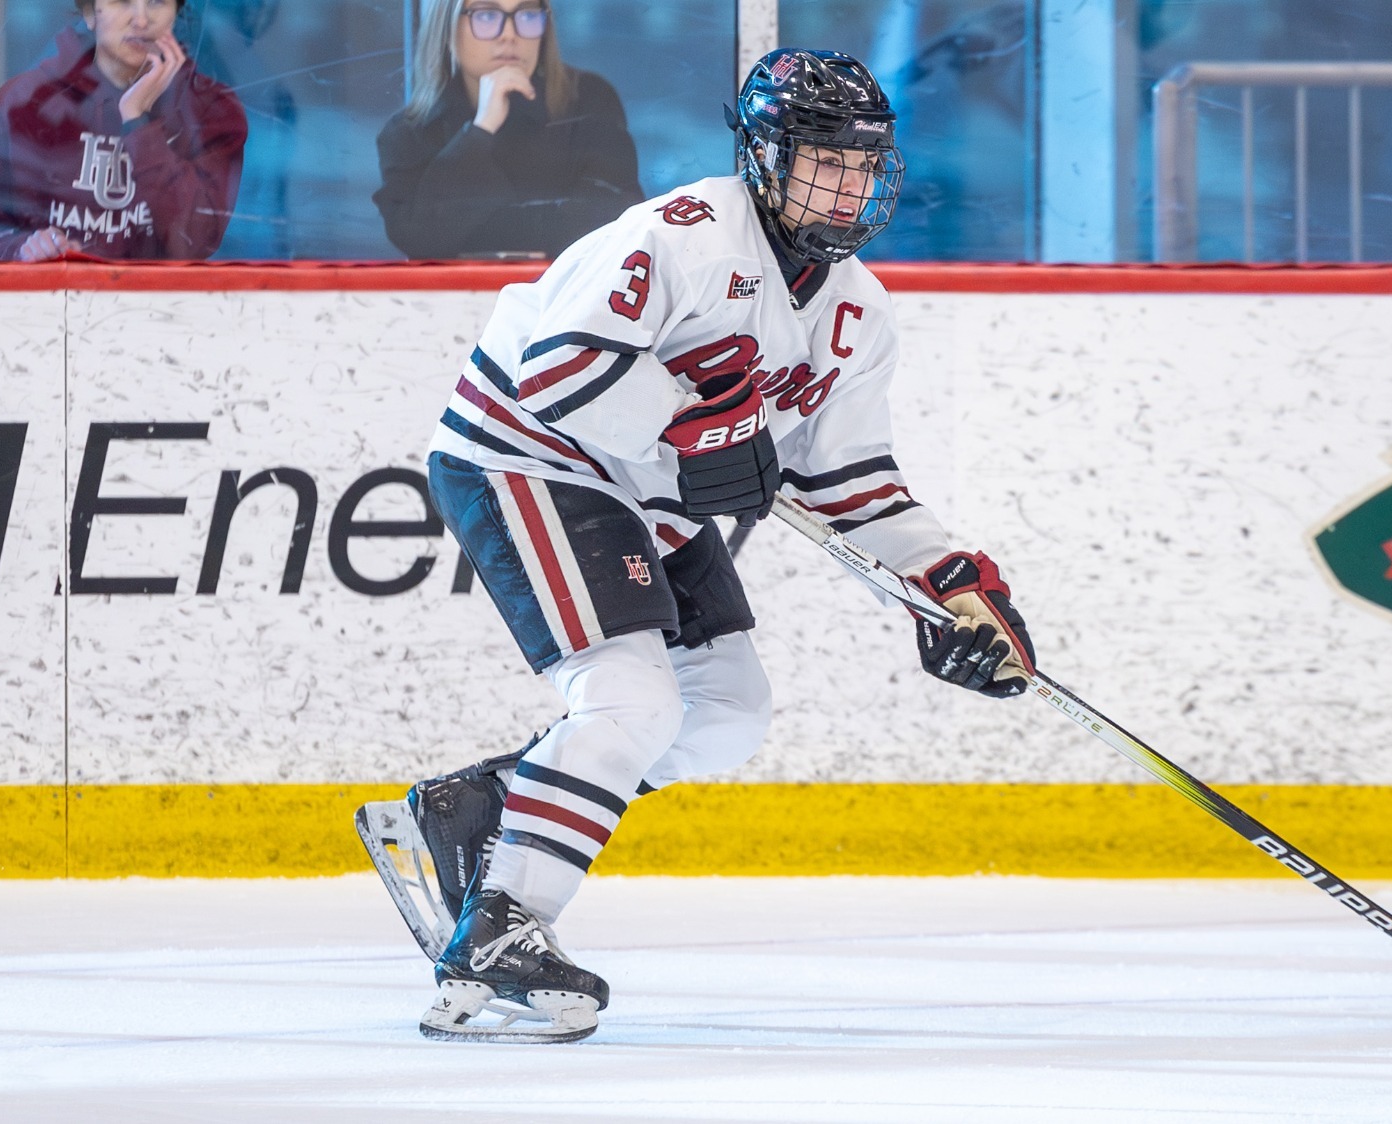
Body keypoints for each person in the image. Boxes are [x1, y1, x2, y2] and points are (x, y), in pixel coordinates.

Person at [357, 48, 1036, 1044]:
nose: (847, 186)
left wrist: (947, 591)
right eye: (825, 161)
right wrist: (688, 426)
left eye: (862, 165)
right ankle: (500, 930)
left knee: (725, 712)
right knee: (630, 697)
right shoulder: (681, 236)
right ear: (764, 157)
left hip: (648, 497)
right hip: (529, 458)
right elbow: (555, 369)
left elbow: (848, 481)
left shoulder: (858, 311)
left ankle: (481, 809)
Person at [0, 0, 247, 262]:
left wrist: (138, 121)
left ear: (176, 14)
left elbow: (193, 242)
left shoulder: (211, 111)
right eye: (121, 1)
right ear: (90, 14)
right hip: (46, 306)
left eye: (157, 1)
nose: (141, 20)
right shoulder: (26, 102)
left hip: (156, 308)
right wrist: (22, 250)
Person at [373, 0, 642, 260]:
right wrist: (481, 129)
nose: (510, 35)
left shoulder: (587, 99)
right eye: (487, 15)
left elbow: (613, 222)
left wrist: (475, 231)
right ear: (448, 28)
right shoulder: (408, 133)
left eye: (527, 15)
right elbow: (420, 238)